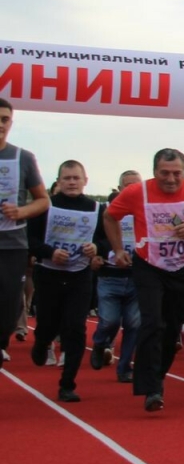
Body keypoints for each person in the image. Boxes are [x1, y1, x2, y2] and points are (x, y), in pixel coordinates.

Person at [104, 148, 184, 411]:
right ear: (154, 172)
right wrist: (118, 249)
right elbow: (110, 216)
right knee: (153, 323)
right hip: (149, 266)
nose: (170, 179)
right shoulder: (137, 192)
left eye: (176, 174)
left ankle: (181, 375)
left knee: (178, 328)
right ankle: (152, 388)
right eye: (164, 173)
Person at [26, 160, 99, 401]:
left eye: (76, 178)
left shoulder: (95, 208)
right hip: (49, 274)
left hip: (80, 275)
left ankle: (67, 383)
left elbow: (108, 240)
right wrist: (49, 252)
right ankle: (42, 342)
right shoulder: (46, 206)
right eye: (66, 178)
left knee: (75, 328)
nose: (71, 182)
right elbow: (29, 239)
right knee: (48, 323)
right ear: (59, 181)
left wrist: (96, 247)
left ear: (85, 180)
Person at [0, 98, 50, 366]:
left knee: (9, 305)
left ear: (10, 123)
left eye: (4, 119)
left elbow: (43, 200)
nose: (0, 124)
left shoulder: (23, 157)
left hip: (12, 243)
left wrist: (20, 212)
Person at [91, 170, 142, 383]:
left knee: (133, 324)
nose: (131, 190)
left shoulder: (148, 211)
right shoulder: (106, 212)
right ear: (119, 189)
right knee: (109, 321)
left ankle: (124, 367)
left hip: (137, 277)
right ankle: (100, 342)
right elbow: (94, 238)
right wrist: (99, 253)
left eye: (135, 185)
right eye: (126, 186)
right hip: (110, 276)